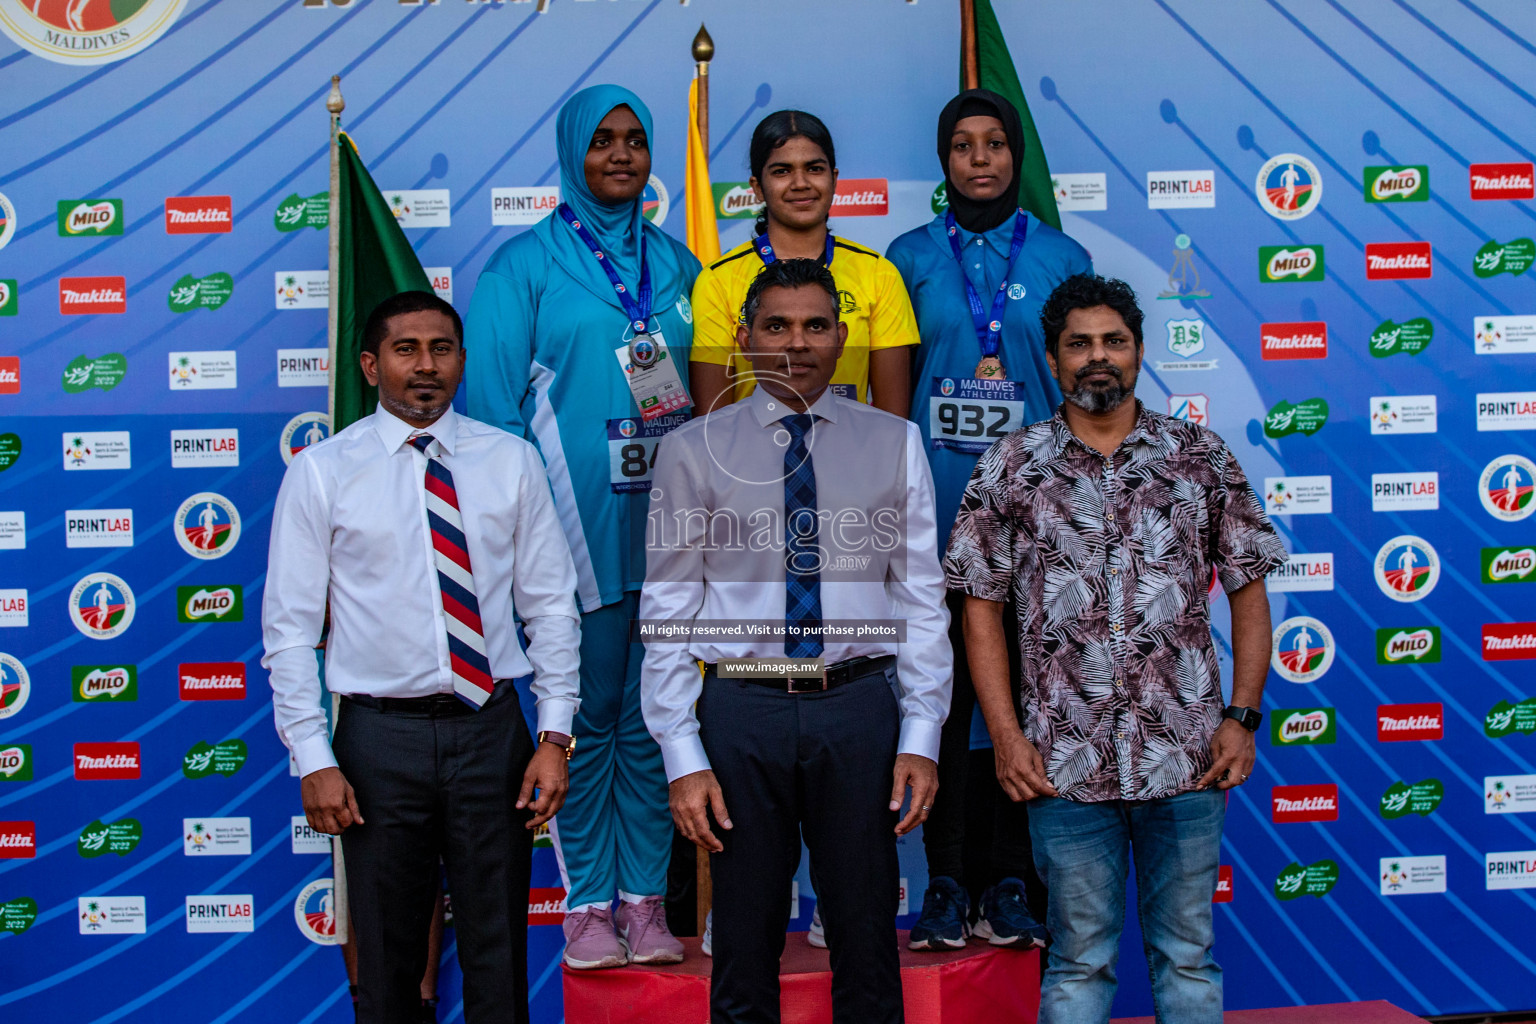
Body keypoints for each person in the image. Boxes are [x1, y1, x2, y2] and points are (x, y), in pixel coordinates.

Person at [944, 274, 1288, 1024]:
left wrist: (1243, 717)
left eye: (1114, 342)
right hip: (1063, 764)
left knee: (1187, 956)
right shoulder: (1013, 464)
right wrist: (1006, 736)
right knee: (1078, 963)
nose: (1097, 357)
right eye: (1079, 344)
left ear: (1137, 351)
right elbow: (979, 611)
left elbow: (1248, 588)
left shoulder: (1197, 455)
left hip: (1188, 757)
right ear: (1053, 356)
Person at [641, 258, 952, 1024]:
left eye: (815, 325)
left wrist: (920, 737)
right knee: (743, 948)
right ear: (744, 338)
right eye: (775, 326)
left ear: (843, 337)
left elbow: (919, 595)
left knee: (867, 937)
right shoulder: (691, 451)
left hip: (859, 711)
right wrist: (683, 757)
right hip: (742, 713)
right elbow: (671, 609)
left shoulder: (896, 442)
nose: (796, 343)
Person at [262, 291, 582, 1024]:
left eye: (441, 348)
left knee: (497, 952)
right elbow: (288, 632)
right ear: (372, 365)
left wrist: (555, 736)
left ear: (462, 362)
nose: (426, 365)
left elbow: (552, 610)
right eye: (406, 349)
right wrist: (314, 758)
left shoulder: (512, 462)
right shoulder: (322, 471)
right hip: (378, 742)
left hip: (492, 731)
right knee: (386, 958)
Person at [465, 85, 699, 969]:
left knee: (651, 720)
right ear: (572, 151)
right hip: (573, 541)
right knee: (585, 721)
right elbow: (489, 418)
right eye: (602, 141)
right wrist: (524, 544)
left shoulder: (678, 266)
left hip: (671, 537)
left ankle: (644, 904)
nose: (622, 156)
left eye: (636, 141)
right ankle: (587, 907)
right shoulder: (522, 267)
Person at [885, 88, 1093, 951]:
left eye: (996, 143)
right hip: (935, 515)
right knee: (942, 702)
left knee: (1027, 706)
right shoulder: (906, 257)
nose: (980, 159)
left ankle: (1013, 878)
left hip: (1038, 521)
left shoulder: (1059, 253)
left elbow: (1084, 385)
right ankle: (942, 881)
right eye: (962, 145)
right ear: (944, 161)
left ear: (1015, 156)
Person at [689, 110, 918, 416]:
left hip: (853, 459)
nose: (800, 183)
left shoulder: (878, 273)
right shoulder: (718, 280)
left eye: (813, 168)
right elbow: (711, 422)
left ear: (833, 179)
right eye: (782, 171)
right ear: (757, 187)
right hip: (748, 461)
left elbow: (893, 424)